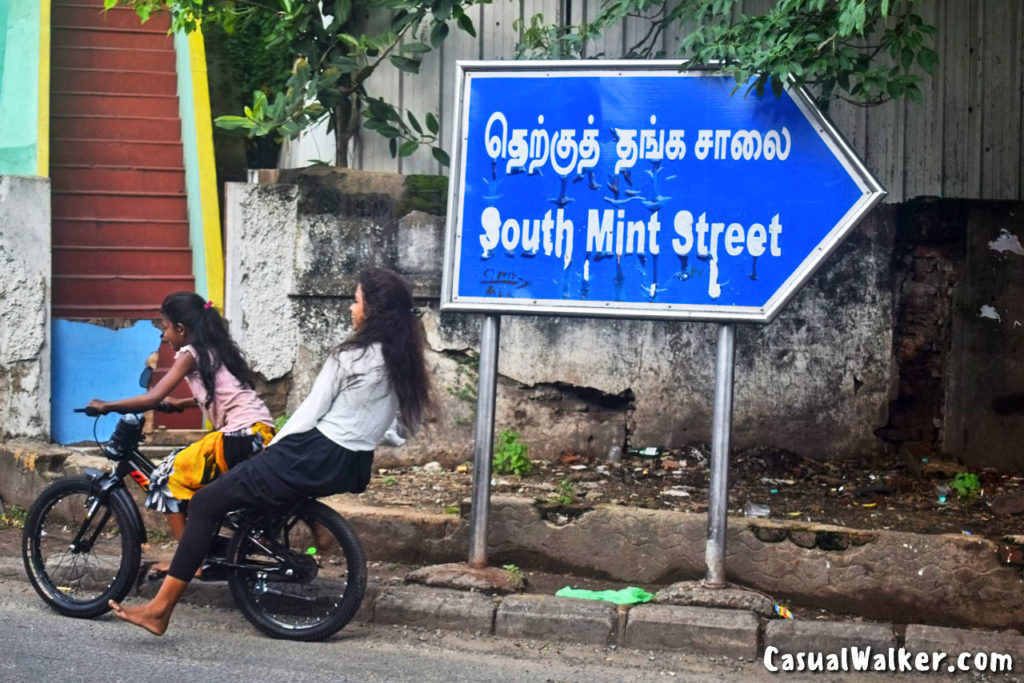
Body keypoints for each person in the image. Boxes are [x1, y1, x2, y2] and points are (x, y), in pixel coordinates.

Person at [108, 267, 432, 635]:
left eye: (355, 302)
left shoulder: (350, 356)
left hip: (310, 453)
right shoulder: (402, 360)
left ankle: (159, 609)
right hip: (352, 464)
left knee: (205, 503)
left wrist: (272, 453)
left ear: (373, 309)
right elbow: (399, 428)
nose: (350, 309)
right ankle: (248, 547)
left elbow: (309, 414)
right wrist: (367, 437)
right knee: (243, 497)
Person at [88, 292, 275, 570]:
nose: (164, 336)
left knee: (164, 478)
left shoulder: (190, 353)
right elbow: (225, 393)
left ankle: (188, 562)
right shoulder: (216, 349)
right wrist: (182, 403)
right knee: (196, 482)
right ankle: (207, 545)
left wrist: (108, 405)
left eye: (165, 327)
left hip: (237, 436)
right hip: (260, 433)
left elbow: (152, 397)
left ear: (181, 329)